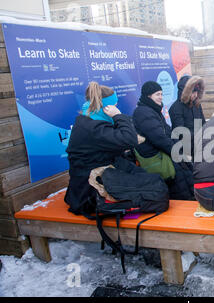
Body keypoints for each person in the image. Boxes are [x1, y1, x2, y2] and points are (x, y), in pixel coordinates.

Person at [64, 82, 139, 214]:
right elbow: (129, 140)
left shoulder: (89, 121)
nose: (117, 107)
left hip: (90, 183)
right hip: (90, 194)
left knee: (145, 178)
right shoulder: (93, 127)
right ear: (106, 107)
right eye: (114, 105)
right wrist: (118, 116)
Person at [133, 81, 194, 200]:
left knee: (186, 176)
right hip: (159, 157)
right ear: (148, 96)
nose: (160, 97)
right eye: (157, 94)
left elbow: (168, 132)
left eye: (161, 94)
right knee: (181, 181)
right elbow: (159, 138)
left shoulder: (153, 110)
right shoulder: (143, 112)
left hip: (166, 152)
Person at [169, 75, 206, 158]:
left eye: (197, 92)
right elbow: (181, 133)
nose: (196, 95)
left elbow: (203, 124)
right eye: (193, 92)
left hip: (199, 147)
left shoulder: (196, 105)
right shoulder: (176, 108)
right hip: (186, 152)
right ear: (185, 92)